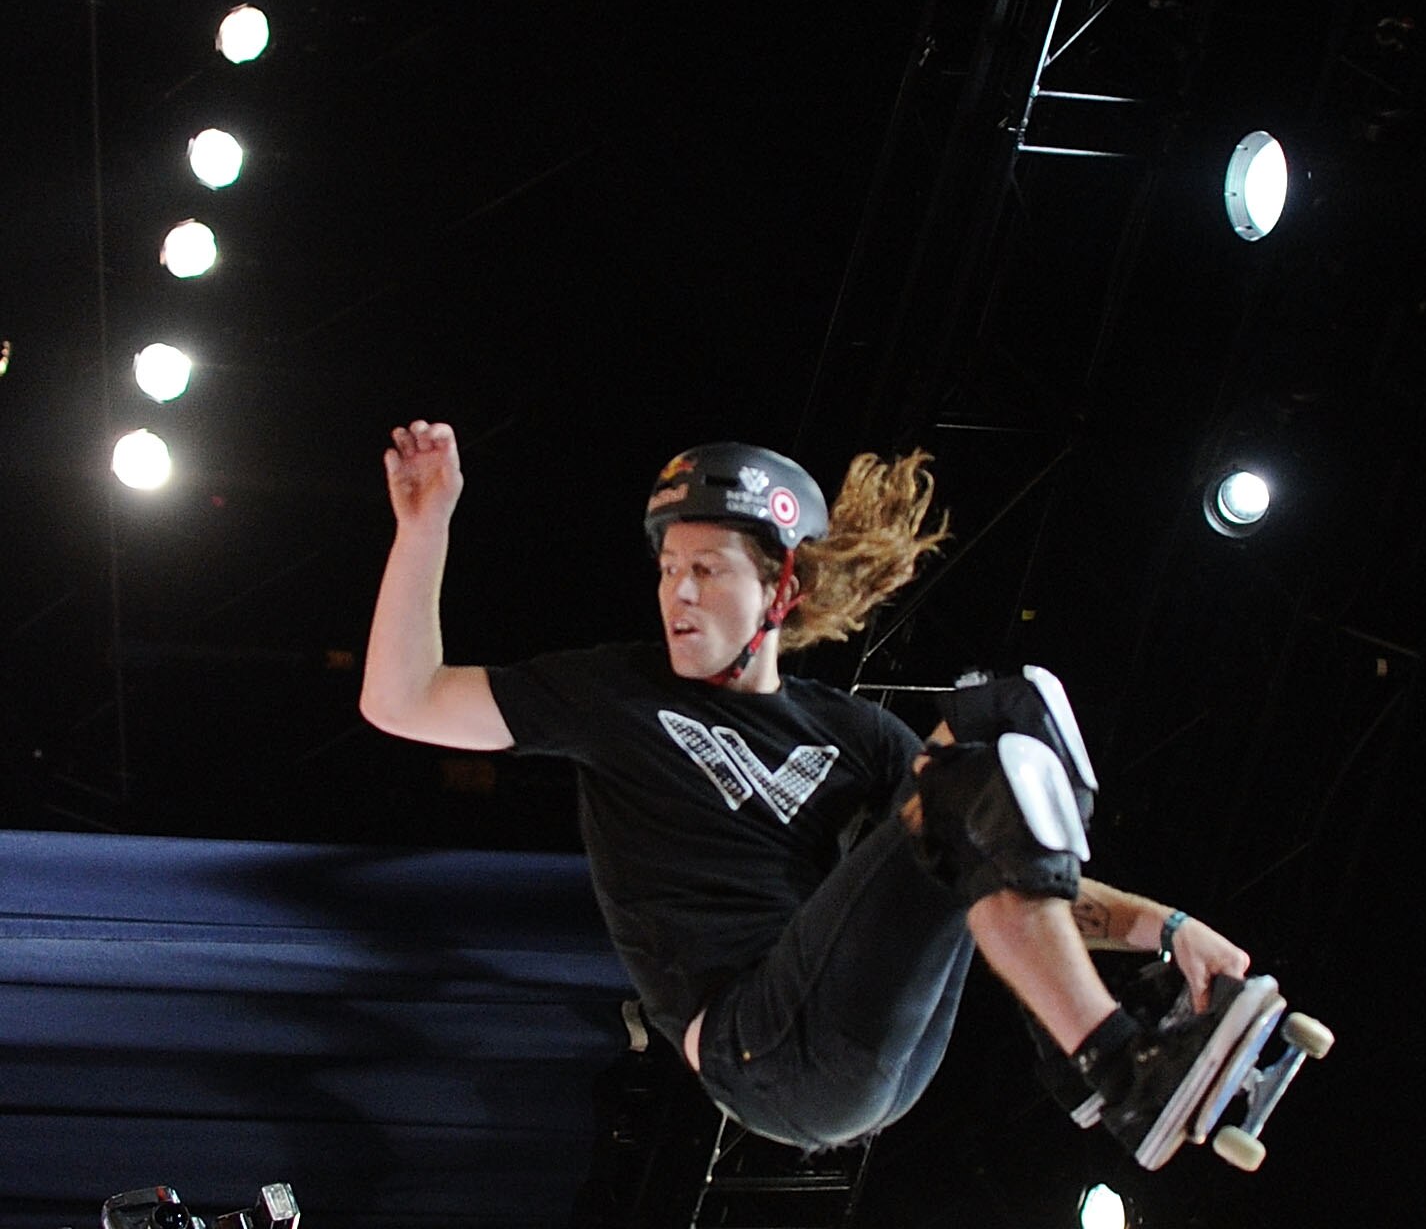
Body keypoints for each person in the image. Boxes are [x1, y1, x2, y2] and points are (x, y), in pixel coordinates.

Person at [359, 422, 1267, 1167]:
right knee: (986, 739)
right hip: (760, 1048)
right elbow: (402, 699)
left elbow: (1006, 857)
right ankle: (1117, 1069)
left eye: (708, 569)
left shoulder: (853, 733)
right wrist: (425, 526)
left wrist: (1168, 929)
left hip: (878, 1057)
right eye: (668, 569)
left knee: (999, 737)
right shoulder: (613, 694)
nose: (678, 594)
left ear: (781, 589)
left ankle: (1093, 1067)